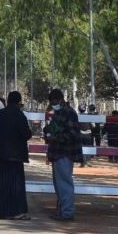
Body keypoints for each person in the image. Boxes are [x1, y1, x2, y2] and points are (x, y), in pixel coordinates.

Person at [0, 91, 33, 220]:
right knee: (15, 183)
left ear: (7, 100)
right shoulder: (20, 115)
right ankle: (16, 211)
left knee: (1, 181)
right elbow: (26, 134)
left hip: (1, 152)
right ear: (19, 102)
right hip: (16, 154)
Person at [43, 88, 83, 221]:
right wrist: (48, 130)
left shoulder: (69, 113)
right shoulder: (59, 113)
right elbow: (56, 128)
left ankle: (67, 213)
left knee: (64, 184)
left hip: (65, 153)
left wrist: (54, 137)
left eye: (54, 102)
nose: (53, 104)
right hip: (57, 152)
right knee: (59, 185)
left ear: (60, 100)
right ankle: (63, 211)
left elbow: (72, 134)